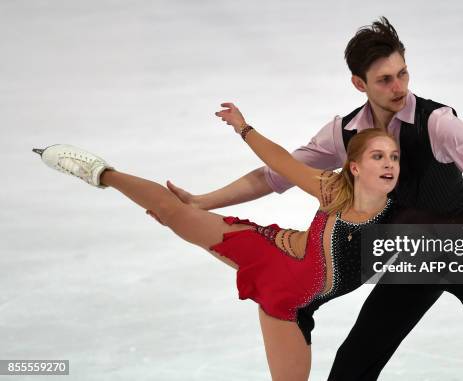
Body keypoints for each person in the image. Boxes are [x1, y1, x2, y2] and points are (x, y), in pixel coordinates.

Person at [158, 17, 463, 380]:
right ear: (359, 83)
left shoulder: (437, 122)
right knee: (352, 368)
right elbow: (275, 175)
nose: (399, 87)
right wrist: (202, 202)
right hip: (413, 257)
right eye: (384, 80)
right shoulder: (345, 133)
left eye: (402, 74)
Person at [34, 103, 403, 380]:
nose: (389, 164)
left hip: (288, 305)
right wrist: (244, 128)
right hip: (271, 252)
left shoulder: (398, 217)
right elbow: (278, 160)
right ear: (355, 166)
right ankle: (101, 172)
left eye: (394, 157)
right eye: (378, 156)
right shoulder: (332, 189)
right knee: (176, 214)